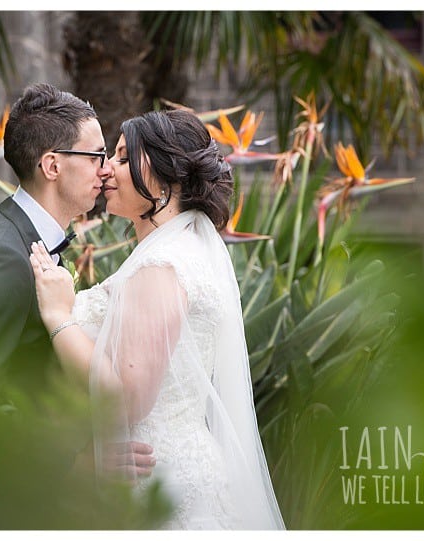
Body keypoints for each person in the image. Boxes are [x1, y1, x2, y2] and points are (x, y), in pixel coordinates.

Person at [30, 109, 285, 529]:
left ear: (167, 177)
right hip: (166, 472)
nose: (107, 169)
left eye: (125, 158)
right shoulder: (180, 251)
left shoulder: (162, 265)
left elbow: (129, 399)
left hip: (160, 488)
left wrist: (60, 317)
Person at [0, 83, 155, 478]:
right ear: (53, 166)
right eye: (96, 156)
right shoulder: (1, 259)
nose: (106, 170)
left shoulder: (27, 241)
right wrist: (73, 466)